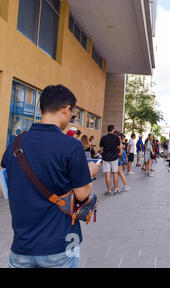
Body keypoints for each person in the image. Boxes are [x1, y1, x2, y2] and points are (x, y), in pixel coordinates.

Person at [1, 85, 99, 268]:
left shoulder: (15, 144)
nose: (70, 118)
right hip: (60, 245)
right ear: (67, 109)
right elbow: (82, 194)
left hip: (21, 247)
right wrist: (90, 172)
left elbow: (8, 182)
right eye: (72, 114)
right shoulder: (71, 146)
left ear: (40, 110)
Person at [100, 125, 122, 196]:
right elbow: (118, 146)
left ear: (107, 130)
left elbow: (101, 150)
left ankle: (109, 191)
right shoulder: (116, 138)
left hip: (106, 158)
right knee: (115, 173)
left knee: (107, 174)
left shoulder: (103, 138)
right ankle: (115, 189)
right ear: (113, 130)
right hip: (114, 158)